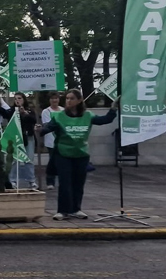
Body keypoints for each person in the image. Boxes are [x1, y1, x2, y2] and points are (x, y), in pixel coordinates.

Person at [40, 89, 117, 220]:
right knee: (65, 183)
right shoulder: (59, 116)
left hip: (81, 154)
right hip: (63, 154)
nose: (68, 101)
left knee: (79, 183)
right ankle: (62, 211)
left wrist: (113, 109)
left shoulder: (88, 115)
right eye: (67, 98)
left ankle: (76, 209)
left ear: (79, 100)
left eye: (72, 98)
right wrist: (39, 129)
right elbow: (47, 128)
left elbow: (105, 120)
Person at [9, 92, 39, 190]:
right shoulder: (12, 110)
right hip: (17, 137)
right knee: (15, 160)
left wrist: (24, 113)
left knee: (29, 159)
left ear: (24, 99)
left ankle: (31, 181)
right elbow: (9, 119)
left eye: (19, 98)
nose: (17, 100)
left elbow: (33, 120)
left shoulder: (29, 110)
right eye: (15, 99)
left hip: (28, 136)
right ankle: (12, 180)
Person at [41, 92, 63, 190]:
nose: (55, 100)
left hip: (63, 141)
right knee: (52, 162)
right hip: (51, 141)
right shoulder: (46, 111)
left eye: (56, 98)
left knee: (63, 162)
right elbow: (47, 125)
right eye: (52, 98)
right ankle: (50, 181)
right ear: (49, 100)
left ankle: (63, 181)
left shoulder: (63, 110)